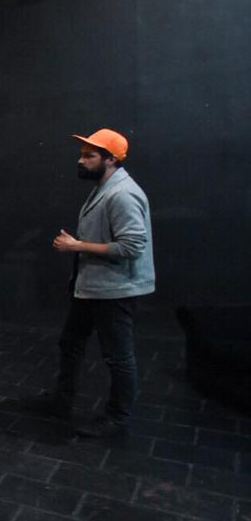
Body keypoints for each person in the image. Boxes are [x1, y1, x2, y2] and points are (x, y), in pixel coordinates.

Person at [28, 129, 155, 438]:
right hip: (93, 286)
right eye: (82, 155)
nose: (81, 160)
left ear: (111, 159)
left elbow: (131, 247)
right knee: (71, 342)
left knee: (117, 356)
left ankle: (118, 418)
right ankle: (62, 401)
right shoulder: (105, 187)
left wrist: (77, 245)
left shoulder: (122, 194)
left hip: (115, 289)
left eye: (89, 156)